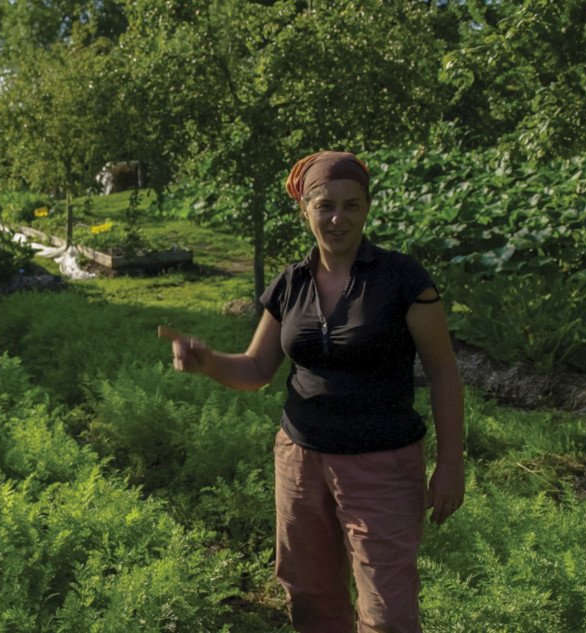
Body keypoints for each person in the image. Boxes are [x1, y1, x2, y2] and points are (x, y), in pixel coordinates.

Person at [160, 151, 464, 633]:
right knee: (309, 597)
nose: (337, 218)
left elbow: (444, 372)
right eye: (325, 205)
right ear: (305, 209)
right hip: (301, 461)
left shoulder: (402, 279)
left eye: (351, 205)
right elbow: (258, 367)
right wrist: (209, 362)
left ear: (367, 209)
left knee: (389, 611)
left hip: (382, 463)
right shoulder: (291, 283)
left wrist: (450, 465)